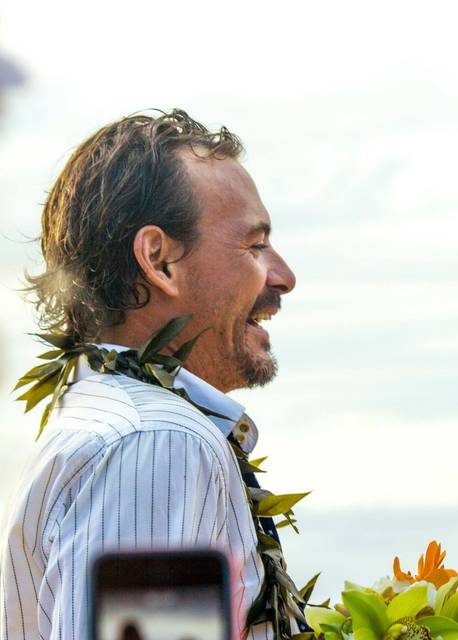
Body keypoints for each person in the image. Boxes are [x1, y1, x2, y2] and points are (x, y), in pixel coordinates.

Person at [0, 110, 303, 639]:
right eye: (254, 245)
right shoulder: (155, 442)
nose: (283, 276)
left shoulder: (104, 416)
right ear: (159, 261)